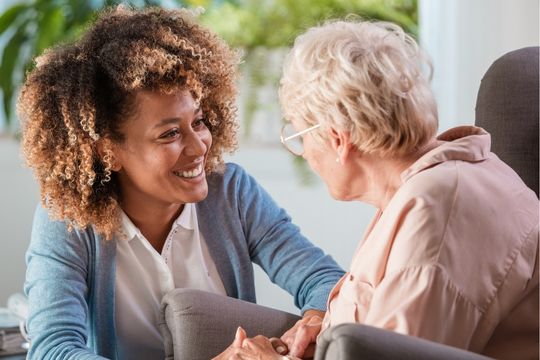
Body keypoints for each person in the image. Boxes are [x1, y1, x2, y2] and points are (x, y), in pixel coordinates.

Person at [18, 6, 345, 359]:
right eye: (170, 133)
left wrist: (307, 328)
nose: (199, 145)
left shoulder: (231, 193)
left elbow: (326, 281)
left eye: (199, 121)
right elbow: (53, 349)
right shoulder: (68, 223)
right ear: (108, 150)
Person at [220, 18, 539, 360]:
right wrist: (331, 331)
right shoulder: (433, 184)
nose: (305, 153)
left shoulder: (435, 214)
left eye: (299, 137)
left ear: (337, 139)